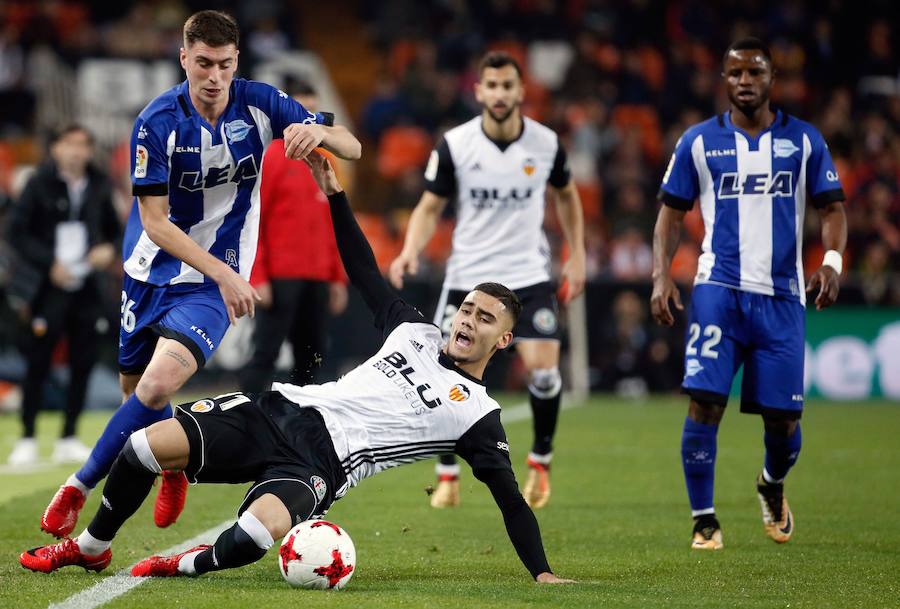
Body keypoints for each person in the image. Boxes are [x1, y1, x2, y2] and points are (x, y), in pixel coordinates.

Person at [20, 151, 574, 585]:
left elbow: (510, 500)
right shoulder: (414, 330)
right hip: (280, 410)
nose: (466, 321)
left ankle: (185, 565)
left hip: (321, 463)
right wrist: (334, 195)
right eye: (467, 309)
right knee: (139, 447)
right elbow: (363, 268)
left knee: (258, 534)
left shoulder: (479, 415)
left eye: (483, 318)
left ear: (503, 339)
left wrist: (542, 571)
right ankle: (91, 549)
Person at [38, 10, 360, 541]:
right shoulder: (156, 121)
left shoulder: (261, 103)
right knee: (135, 398)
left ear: (237, 63)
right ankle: (175, 463)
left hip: (214, 281)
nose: (214, 76)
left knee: (156, 383)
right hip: (152, 269)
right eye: (204, 63)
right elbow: (155, 223)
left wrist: (317, 128)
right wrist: (226, 274)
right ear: (184, 58)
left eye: (225, 65)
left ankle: (76, 488)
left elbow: (352, 146)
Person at [650, 38, 847, 550]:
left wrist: (831, 262)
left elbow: (833, 209)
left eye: (754, 72)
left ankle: (771, 484)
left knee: (784, 423)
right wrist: (661, 274)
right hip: (719, 289)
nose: (744, 81)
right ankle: (704, 518)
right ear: (723, 80)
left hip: (783, 299)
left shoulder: (804, 141)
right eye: (735, 72)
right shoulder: (698, 141)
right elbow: (671, 213)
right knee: (704, 404)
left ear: (771, 79)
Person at [389, 51, 586, 510]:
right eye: (491, 86)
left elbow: (568, 197)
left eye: (507, 86)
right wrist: (409, 251)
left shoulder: (546, 143)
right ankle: (447, 473)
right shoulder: (455, 145)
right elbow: (430, 205)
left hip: (528, 274)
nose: (499, 94)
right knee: (441, 372)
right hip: (468, 276)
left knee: (543, 371)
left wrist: (576, 255)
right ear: (478, 92)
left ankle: (540, 458)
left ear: (521, 92)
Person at [6, 124, 119, 466]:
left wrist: (106, 249)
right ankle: (27, 436)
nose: (76, 151)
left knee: (83, 360)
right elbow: (16, 232)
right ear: (55, 148)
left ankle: (68, 435)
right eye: (69, 144)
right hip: (48, 287)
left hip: (86, 286)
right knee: (38, 361)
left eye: (83, 144)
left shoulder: (99, 183)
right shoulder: (38, 184)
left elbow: (115, 230)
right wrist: (47, 263)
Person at [240, 80, 347, 392]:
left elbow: (333, 223)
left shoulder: (328, 160)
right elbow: (253, 221)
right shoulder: (271, 157)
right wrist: (257, 275)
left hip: (317, 278)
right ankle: (245, 422)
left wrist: (337, 277)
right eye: (300, 111)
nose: (307, 119)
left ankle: (303, 427)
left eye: (312, 111)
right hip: (280, 276)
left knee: (313, 358)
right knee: (265, 354)